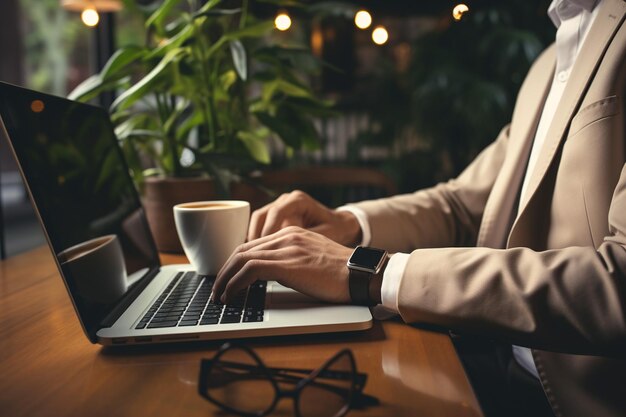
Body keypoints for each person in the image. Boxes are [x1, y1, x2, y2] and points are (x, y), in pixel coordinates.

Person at [212, 0, 626, 415]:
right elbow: (461, 204)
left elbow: (618, 280)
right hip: (496, 361)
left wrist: (369, 271)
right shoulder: (548, 62)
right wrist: (346, 224)